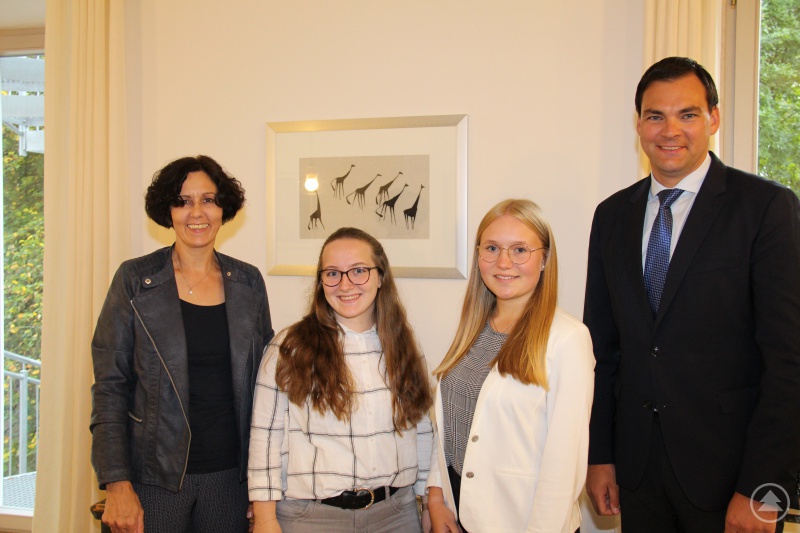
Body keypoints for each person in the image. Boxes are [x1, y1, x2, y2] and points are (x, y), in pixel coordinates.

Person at [584, 56, 800, 533]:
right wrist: (599, 456)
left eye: (688, 114)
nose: (670, 130)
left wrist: (765, 489)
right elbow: (602, 350)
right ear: (639, 123)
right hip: (637, 475)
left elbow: (789, 361)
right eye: (655, 115)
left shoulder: (766, 209)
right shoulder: (612, 216)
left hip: (733, 480)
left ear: (714, 119)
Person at [90, 155, 274, 533]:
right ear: (168, 210)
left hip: (232, 480)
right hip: (152, 479)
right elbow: (110, 388)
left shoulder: (248, 282)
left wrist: (265, 487)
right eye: (183, 200)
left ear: (224, 208)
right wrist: (117, 483)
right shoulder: (134, 280)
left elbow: (267, 389)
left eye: (208, 199)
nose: (197, 213)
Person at [248, 227, 434, 533]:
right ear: (321, 282)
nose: (345, 284)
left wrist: (429, 502)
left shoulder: (404, 345)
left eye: (359, 271)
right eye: (333, 273)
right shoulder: (289, 347)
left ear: (380, 277)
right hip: (310, 518)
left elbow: (423, 430)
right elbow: (265, 440)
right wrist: (266, 519)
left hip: (395, 516)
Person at [426, 199, 595, 533]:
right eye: (492, 248)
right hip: (457, 507)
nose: (503, 262)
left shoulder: (568, 339)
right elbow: (453, 423)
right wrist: (436, 496)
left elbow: (564, 465)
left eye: (520, 250)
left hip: (524, 520)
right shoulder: (474, 328)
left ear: (545, 258)